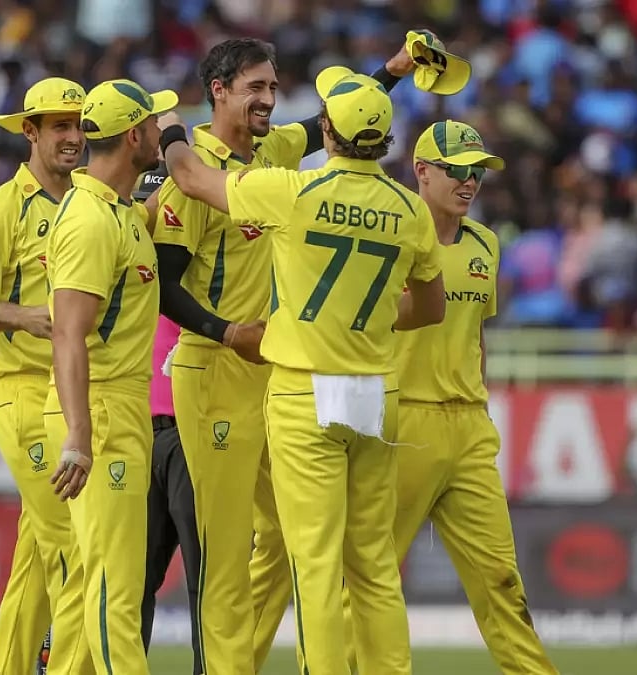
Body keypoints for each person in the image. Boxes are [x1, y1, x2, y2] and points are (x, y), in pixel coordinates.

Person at [153, 36, 444, 674]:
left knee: (287, 542)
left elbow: (330, 123)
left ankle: (239, 663)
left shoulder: (277, 159)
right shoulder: (210, 167)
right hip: (219, 369)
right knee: (229, 552)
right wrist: (227, 331)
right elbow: (164, 283)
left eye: (273, 87)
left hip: (285, 376)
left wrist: (389, 73)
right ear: (219, 90)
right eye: (255, 87)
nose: (269, 99)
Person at [372, 121, 560, 674]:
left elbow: (476, 335)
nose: (469, 181)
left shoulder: (486, 243)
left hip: (469, 429)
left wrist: (478, 400)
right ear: (422, 171)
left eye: (477, 171)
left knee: (501, 578)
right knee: (372, 576)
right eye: (457, 169)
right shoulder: (393, 236)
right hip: (403, 422)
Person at [42, 78, 173, 675]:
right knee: (115, 586)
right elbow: (67, 332)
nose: (161, 132)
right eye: (155, 123)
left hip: (120, 407)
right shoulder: (92, 221)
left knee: (100, 581)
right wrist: (79, 432)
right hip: (100, 408)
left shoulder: (117, 211)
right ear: (133, 135)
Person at [0, 76, 92, 675]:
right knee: (77, 552)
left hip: (68, 397)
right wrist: (20, 316)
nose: (73, 138)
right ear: (30, 132)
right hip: (23, 397)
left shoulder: (88, 199)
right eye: (60, 127)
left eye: (80, 126)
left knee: (35, 567)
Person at [132, 165, 206, 672]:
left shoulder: (201, 257)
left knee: (209, 580)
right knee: (132, 581)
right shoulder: (123, 256)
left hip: (195, 430)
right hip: (139, 430)